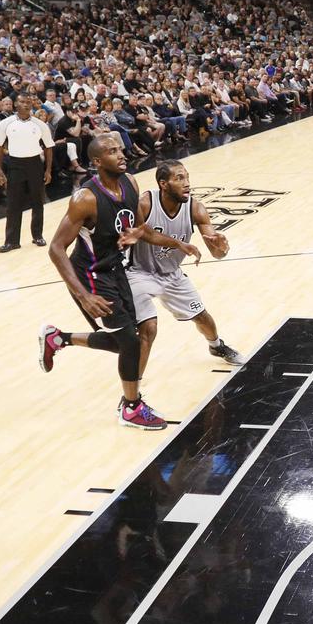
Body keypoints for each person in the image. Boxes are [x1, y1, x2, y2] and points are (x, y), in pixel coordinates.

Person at [40, 135, 201, 430]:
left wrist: (178, 244)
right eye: (112, 151)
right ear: (97, 162)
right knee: (129, 342)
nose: (121, 154)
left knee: (129, 341)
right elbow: (56, 248)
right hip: (90, 275)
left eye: (120, 149)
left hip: (116, 270)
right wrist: (84, 295)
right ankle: (131, 407)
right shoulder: (85, 199)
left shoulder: (130, 182)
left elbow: (143, 230)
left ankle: (58, 338)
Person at [127, 162, 244, 379]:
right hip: (139, 272)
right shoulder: (145, 203)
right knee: (148, 330)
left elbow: (216, 252)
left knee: (202, 317)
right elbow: (139, 234)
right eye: (179, 178)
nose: (187, 184)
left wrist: (221, 247)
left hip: (172, 274)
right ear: (163, 184)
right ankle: (133, 393)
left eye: (187, 177)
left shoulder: (195, 208)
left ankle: (216, 345)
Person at [0, 93, 54, 253]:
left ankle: (37, 235)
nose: (26, 104)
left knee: (37, 201)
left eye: (29, 102)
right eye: (22, 102)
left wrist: (48, 170)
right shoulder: (6, 123)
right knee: (13, 204)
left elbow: (48, 147)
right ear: (15, 104)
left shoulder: (40, 124)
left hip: (35, 164)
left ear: (32, 104)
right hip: (15, 164)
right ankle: (12, 241)